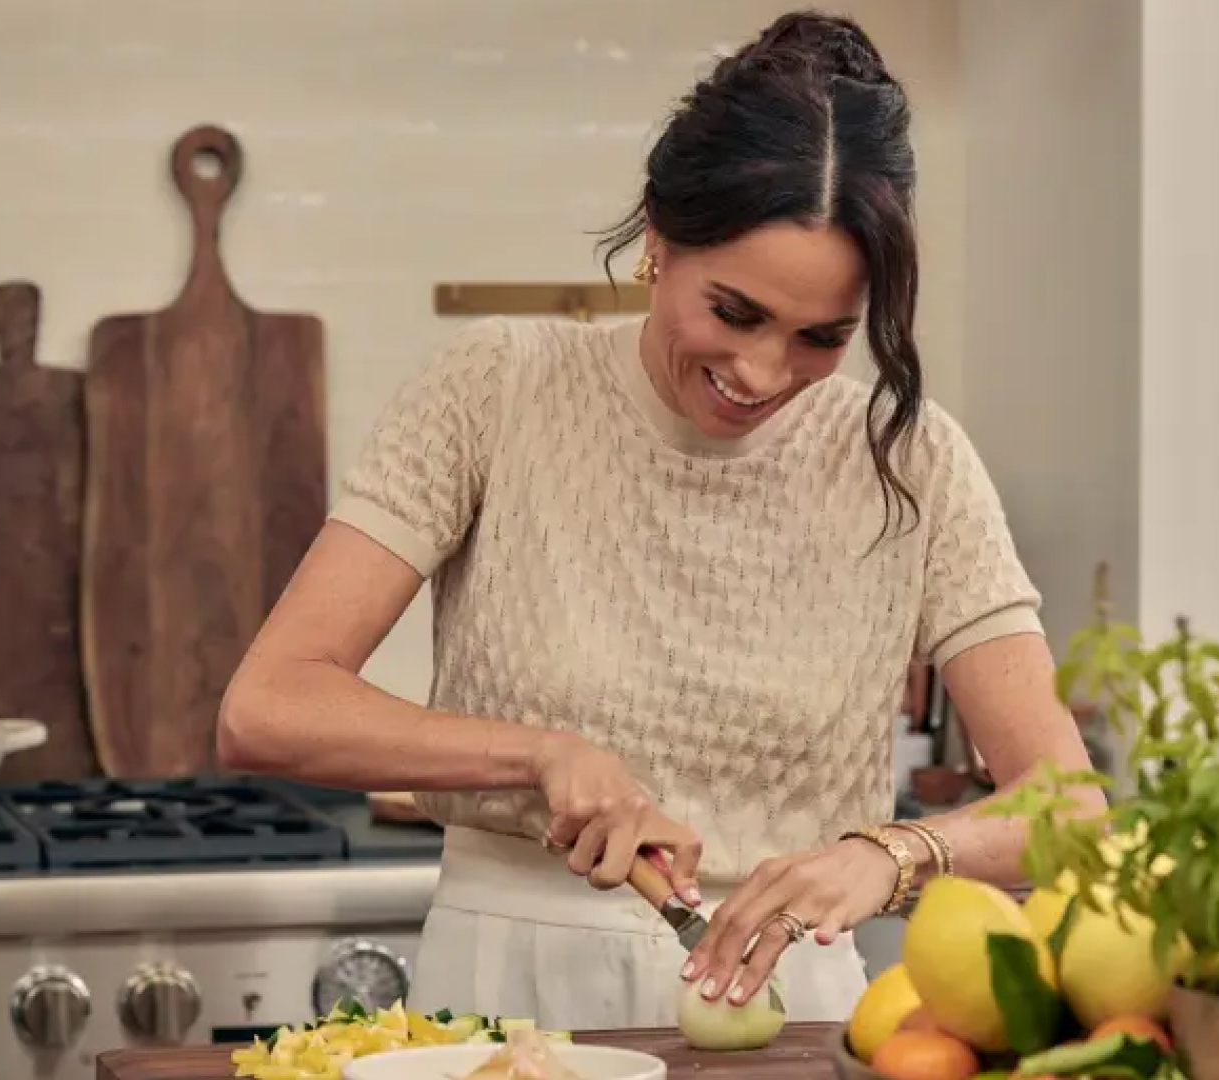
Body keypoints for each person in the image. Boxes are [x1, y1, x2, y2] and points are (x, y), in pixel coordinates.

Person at [218, 9, 1100, 1030]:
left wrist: (893, 854)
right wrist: (538, 754)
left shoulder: (913, 459)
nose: (764, 374)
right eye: (734, 313)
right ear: (656, 237)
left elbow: (1068, 811)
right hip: (509, 1001)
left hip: (793, 1010)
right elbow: (269, 706)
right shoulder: (498, 390)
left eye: (822, 337)